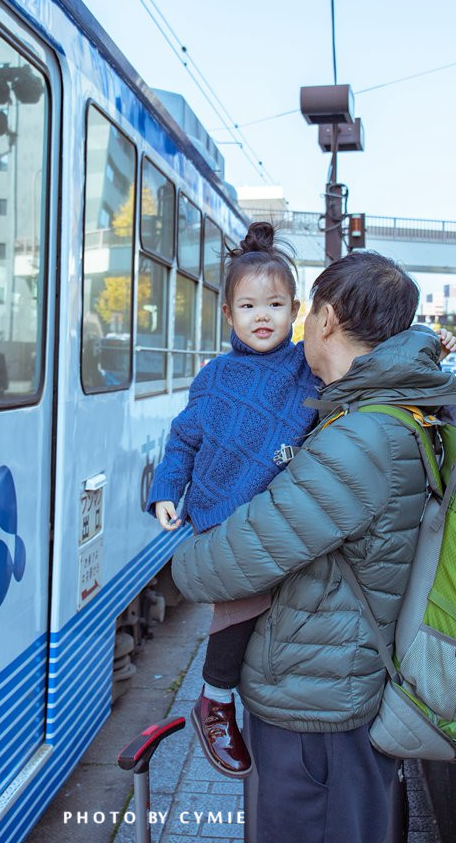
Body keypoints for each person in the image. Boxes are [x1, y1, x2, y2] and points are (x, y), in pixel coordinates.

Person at [171, 249, 456, 842]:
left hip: (317, 714)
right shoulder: (376, 411)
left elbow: (223, 566)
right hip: (330, 684)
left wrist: (182, 559)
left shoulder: (362, 436)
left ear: (323, 319)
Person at [145, 222, 320, 779]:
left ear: (296, 310)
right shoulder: (214, 377)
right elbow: (184, 438)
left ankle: (228, 699)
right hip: (221, 513)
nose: (262, 315)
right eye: (248, 305)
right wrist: (166, 490)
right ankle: (214, 700)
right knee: (239, 606)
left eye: (275, 304)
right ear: (228, 315)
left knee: (273, 607)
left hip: (275, 511)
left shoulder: (304, 367)